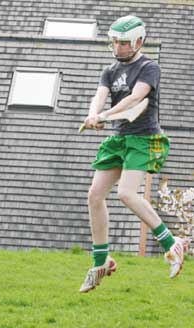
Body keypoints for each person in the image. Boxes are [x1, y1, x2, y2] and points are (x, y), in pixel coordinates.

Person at [79, 15, 187, 293]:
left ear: (138, 41)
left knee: (126, 194)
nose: (118, 47)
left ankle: (171, 244)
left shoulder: (149, 67)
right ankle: (101, 261)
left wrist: (105, 115)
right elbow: (100, 95)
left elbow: (135, 99)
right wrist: (93, 113)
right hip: (120, 139)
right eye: (114, 41)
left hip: (144, 139)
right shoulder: (109, 70)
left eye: (123, 42)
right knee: (94, 196)